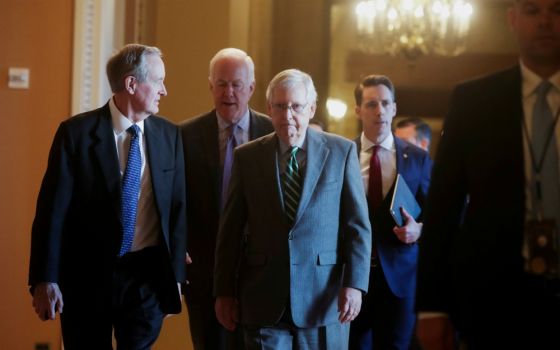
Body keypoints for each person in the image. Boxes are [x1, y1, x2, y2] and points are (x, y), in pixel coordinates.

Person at [416, 0, 560, 348]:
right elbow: (442, 209)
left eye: (557, 10)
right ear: (512, 19)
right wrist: (432, 308)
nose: (545, 21)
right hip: (495, 297)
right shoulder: (474, 101)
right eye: (532, 10)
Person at [28, 44, 186, 349]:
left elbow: (178, 210)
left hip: (146, 279)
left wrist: (176, 278)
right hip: (86, 276)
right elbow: (51, 212)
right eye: (158, 81)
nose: (164, 90)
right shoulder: (76, 134)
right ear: (131, 83)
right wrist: (45, 279)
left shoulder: (170, 136)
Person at [213, 69, 372, 349]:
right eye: (280, 106)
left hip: (323, 299)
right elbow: (230, 230)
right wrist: (224, 291)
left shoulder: (341, 152)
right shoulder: (247, 157)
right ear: (268, 109)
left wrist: (356, 284)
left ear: (311, 108)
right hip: (263, 298)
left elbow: (357, 226)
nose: (288, 115)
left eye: (296, 106)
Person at [180, 48, 273, 350]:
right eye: (221, 84)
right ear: (210, 87)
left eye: (236, 84)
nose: (228, 92)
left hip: (260, 272)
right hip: (204, 273)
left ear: (251, 88)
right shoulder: (184, 135)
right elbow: (175, 203)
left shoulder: (272, 133)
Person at [349, 75, 432, 350]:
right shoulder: (341, 154)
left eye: (386, 103)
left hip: (399, 279)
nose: (380, 110)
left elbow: (436, 215)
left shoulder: (417, 158)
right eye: (371, 104)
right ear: (358, 110)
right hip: (351, 281)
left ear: (395, 108)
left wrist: (418, 230)